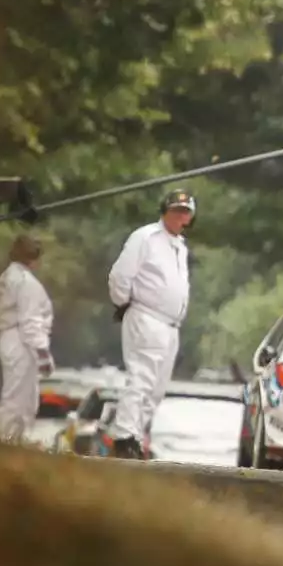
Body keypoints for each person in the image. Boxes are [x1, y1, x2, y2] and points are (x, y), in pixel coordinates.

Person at [107, 189, 195, 459]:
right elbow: (120, 276)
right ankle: (123, 436)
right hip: (147, 316)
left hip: (170, 324)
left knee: (156, 388)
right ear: (164, 211)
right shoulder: (145, 237)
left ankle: (135, 436)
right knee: (141, 378)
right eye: (176, 210)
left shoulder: (179, 245)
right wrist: (124, 304)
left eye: (185, 211)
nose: (180, 216)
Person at [0, 233, 54, 441]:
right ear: (34, 258)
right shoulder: (26, 282)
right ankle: (4, 438)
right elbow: (31, 323)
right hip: (21, 341)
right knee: (18, 398)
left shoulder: (6, 277)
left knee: (19, 394)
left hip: (9, 337)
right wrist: (43, 355)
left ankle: (10, 439)